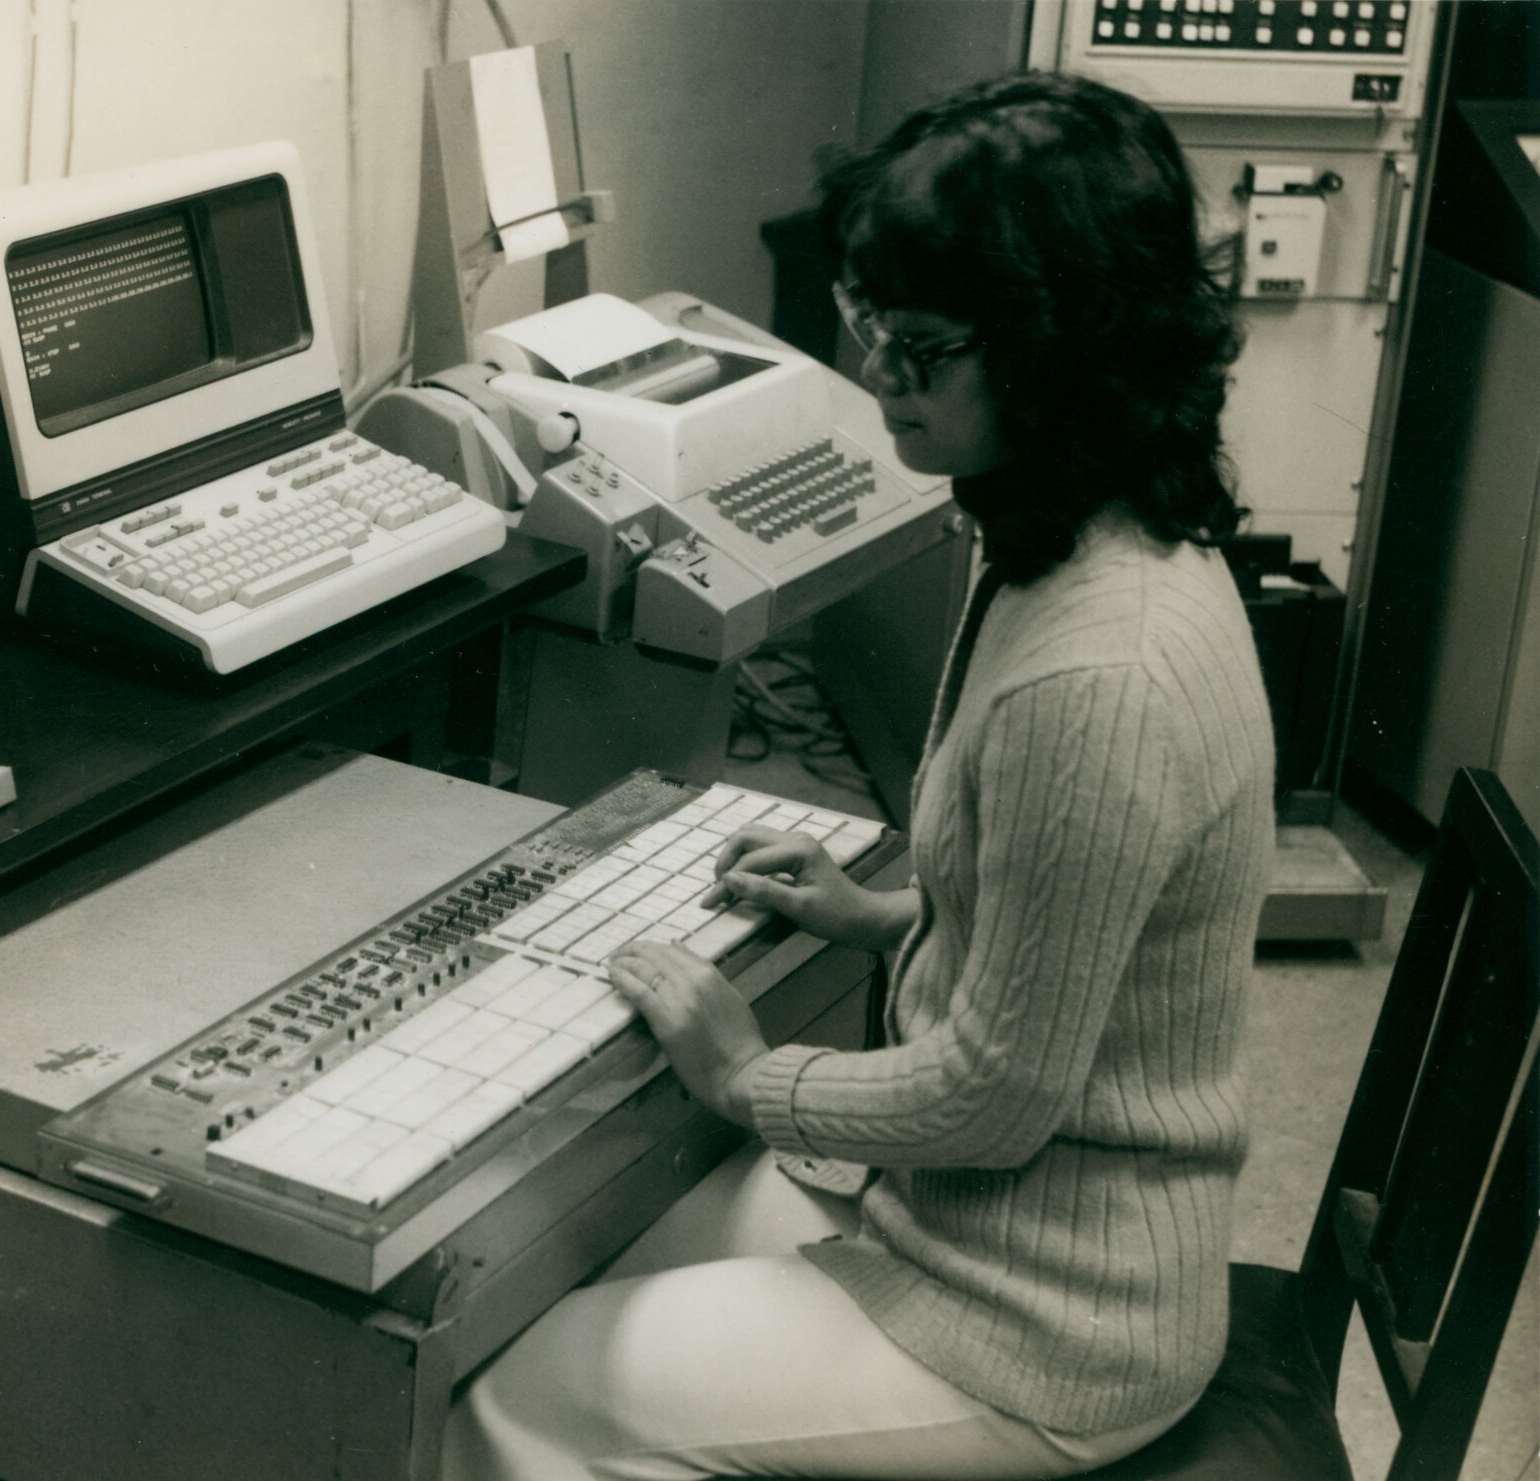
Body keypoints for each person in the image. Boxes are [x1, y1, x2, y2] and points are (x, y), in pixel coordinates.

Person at [442, 71, 1274, 1481]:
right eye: (868, 321)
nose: (880, 372)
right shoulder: (1086, 534)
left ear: (1064, 352)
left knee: (517, 1395)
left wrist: (750, 1073)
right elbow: (1078, 940)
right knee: (561, 1272)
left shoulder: (1100, 672)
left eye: (924, 346)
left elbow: (996, 1096)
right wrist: (886, 913)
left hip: (1049, 1321)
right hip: (981, 1226)